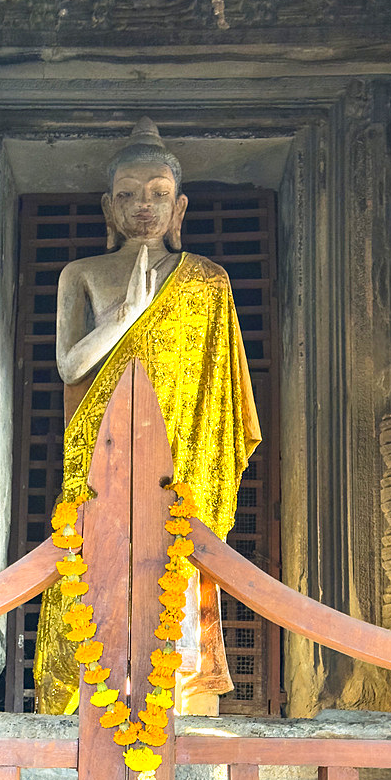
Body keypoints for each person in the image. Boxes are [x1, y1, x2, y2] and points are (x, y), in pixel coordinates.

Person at [34, 117, 261, 715]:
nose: (144, 206)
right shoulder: (80, 274)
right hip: (100, 447)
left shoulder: (209, 282)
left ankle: (182, 695)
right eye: (130, 195)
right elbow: (67, 365)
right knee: (93, 566)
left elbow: (218, 395)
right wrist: (123, 316)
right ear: (108, 207)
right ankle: (92, 699)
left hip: (179, 459)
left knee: (172, 566)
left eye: (159, 194)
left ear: (180, 207)